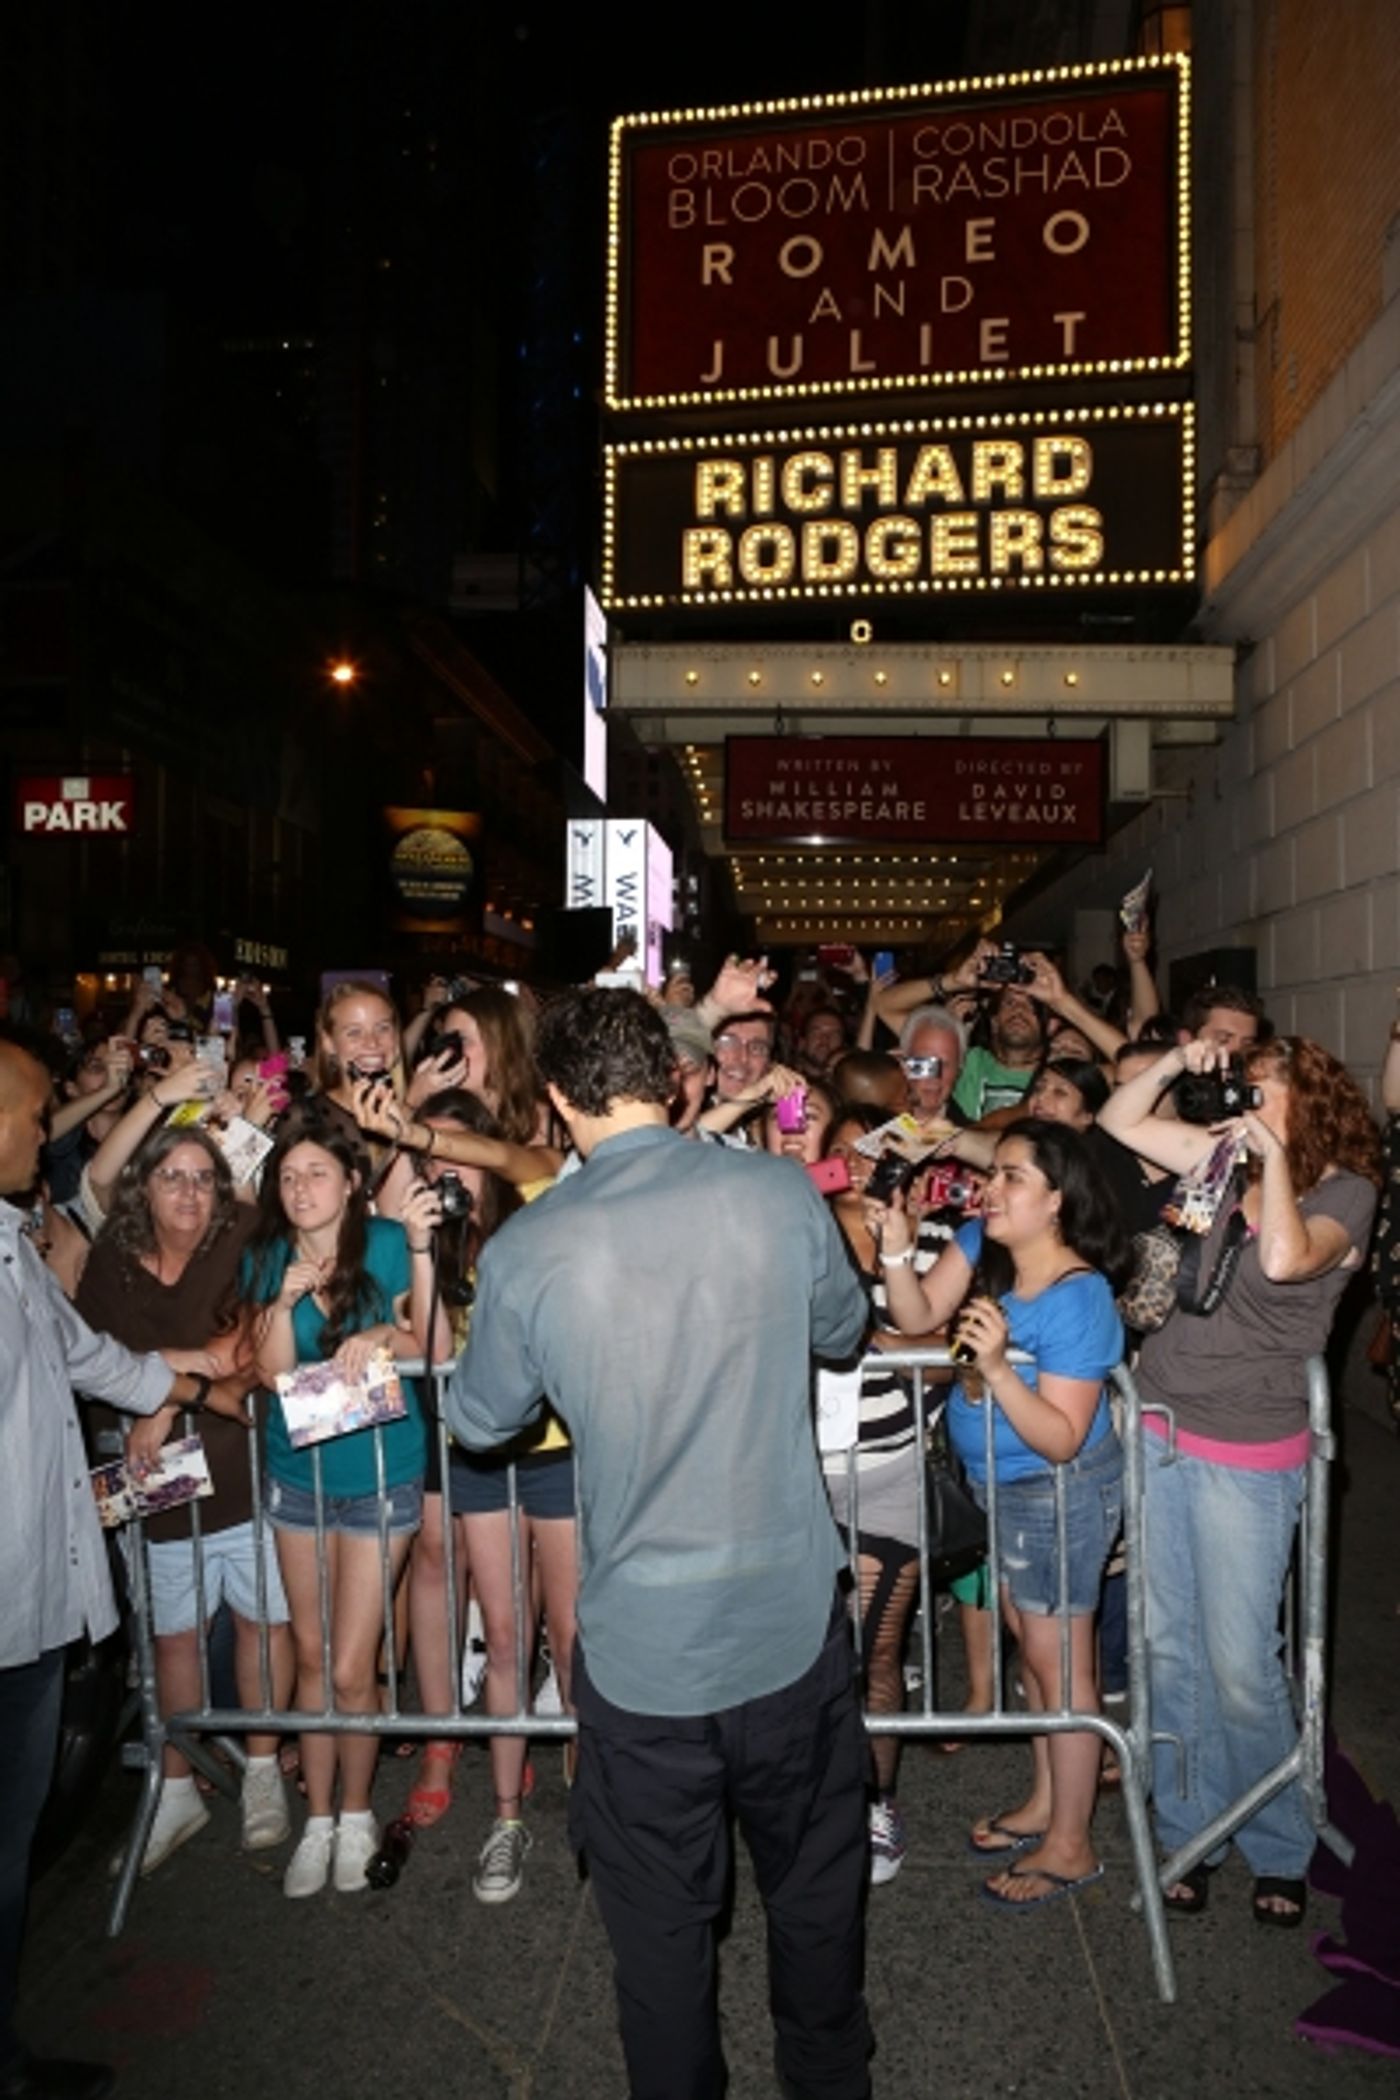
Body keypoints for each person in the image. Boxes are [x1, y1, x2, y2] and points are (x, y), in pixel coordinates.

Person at [445, 987, 872, 2100]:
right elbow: (843, 1327)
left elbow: (479, 1421)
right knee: (816, 1907)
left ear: (554, 1097)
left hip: (642, 1657)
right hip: (787, 1628)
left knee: (660, 1948)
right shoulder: (775, 1193)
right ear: (674, 1079)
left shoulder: (533, 1247)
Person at [1100, 1034, 1379, 1925]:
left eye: (1259, 1090)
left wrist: (1271, 1161)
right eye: (1240, 1089)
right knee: (1167, 1647)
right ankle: (1190, 1828)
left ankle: (1278, 1841)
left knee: (1241, 1664)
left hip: (1250, 1452)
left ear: (1309, 1098)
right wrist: (1176, 1065)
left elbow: (1286, 1260)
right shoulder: (1220, 1158)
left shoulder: (1348, 1192)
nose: (1242, 1104)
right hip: (1161, 1428)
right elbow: (1119, 1118)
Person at [0, 1038, 220, 2100]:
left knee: (13, 1841)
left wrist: (193, 1386)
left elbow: (93, 1362)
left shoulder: (12, 1248)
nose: (43, 1132)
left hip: (33, 1607)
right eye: (34, 1112)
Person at [869, 1118, 1128, 1908]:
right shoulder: (985, 1245)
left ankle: (1072, 1846)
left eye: (1014, 1176)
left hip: (1056, 1490)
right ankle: (1049, 1805)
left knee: (1062, 1670)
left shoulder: (1080, 1297)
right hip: (1003, 1489)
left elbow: (1062, 1437)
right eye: (995, 1172)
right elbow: (917, 1315)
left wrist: (995, 1367)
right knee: (1035, 1654)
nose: (992, 1186)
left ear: (1057, 1201)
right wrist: (895, 1250)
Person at [76, 1126, 294, 1877]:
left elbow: (247, 1347)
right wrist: (180, 1372)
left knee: (262, 1625)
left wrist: (161, 1396)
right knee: (173, 1638)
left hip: (243, 1468)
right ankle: (175, 1787)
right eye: (172, 1176)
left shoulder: (242, 1237)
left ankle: (261, 1768)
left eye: (204, 1177)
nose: (190, 1193)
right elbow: (89, 1358)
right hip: (157, 1488)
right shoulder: (112, 1258)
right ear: (144, 1185)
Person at [241, 1127, 450, 1898]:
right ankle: (319, 1818)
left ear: (352, 1181)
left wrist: (382, 1330)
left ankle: (357, 1811)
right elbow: (270, 1372)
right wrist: (282, 1300)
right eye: (288, 1175)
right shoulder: (267, 1256)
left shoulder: (390, 1243)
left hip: (383, 1472)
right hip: (299, 1475)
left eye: (317, 1172)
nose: (300, 1189)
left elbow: (434, 1344)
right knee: (311, 1654)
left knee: (352, 1665)